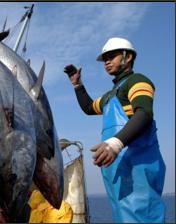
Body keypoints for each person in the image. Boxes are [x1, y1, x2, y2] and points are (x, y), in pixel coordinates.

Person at [64, 37, 166, 223]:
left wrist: (115, 143)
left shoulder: (137, 81)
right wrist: (77, 85)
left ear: (128, 57)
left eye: (112, 56)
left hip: (138, 167)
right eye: (105, 59)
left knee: (143, 214)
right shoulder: (111, 94)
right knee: (123, 216)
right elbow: (89, 108)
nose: (107, 62)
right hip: (117, 168)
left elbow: (144, 113)